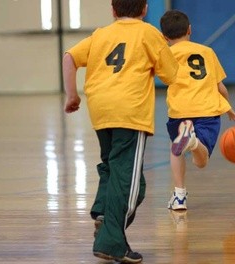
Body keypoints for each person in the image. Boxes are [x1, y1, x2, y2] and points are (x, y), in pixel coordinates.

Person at [63, 0, 178, 263]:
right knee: (128, 184)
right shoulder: (149, 33)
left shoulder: (101, 33)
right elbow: (170, 75)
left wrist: (72, 95)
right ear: (145, 9)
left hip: (101, 110)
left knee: (116, 168)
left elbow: (69, 57)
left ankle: (104, 213)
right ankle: (112, 242)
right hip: (130, 112)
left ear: (113, 11)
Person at [159, 10, 235, 211]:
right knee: (200, 162)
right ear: (189, 30)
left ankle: (179, 196)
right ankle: (193, 141)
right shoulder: (207, 52)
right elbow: (220, 87)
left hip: (179, 111)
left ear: (164, 37)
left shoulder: (166, 55)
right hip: (207, 110)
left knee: (175, 150)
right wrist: (228, 107)